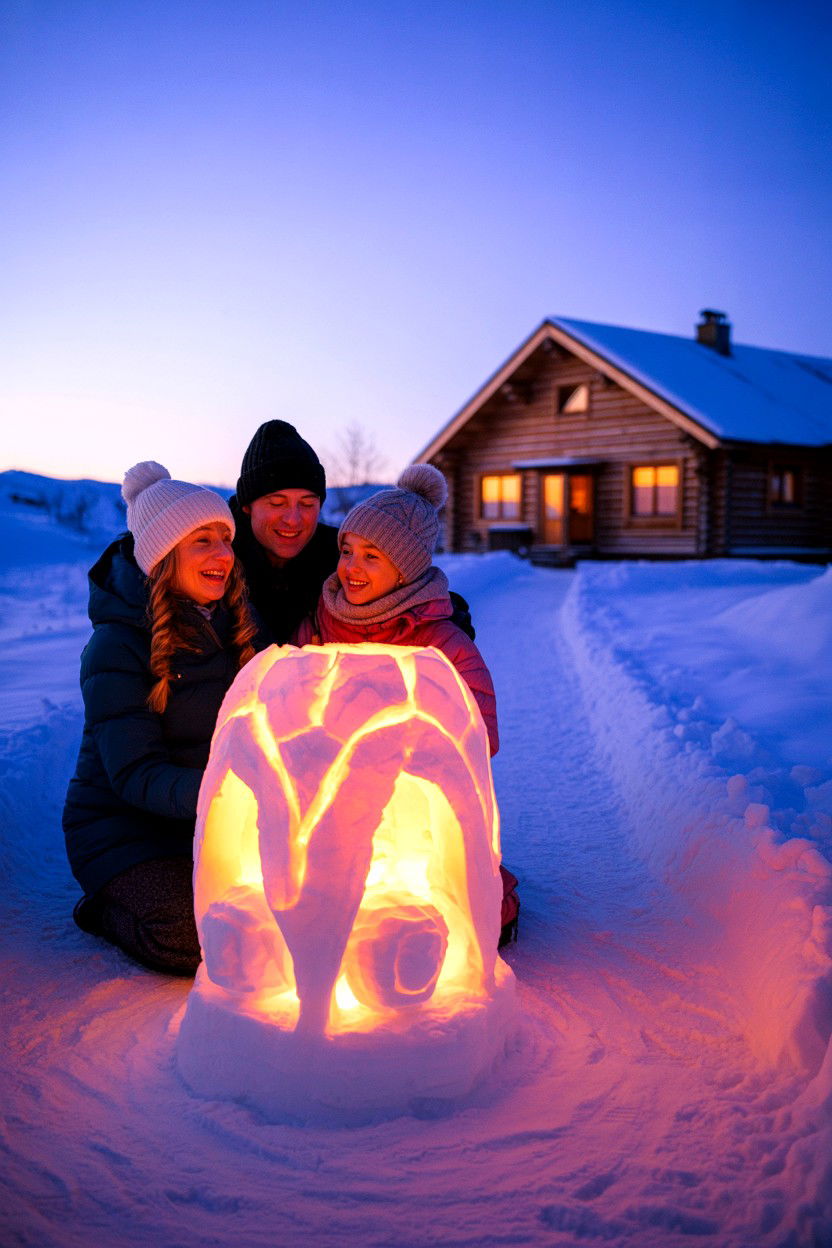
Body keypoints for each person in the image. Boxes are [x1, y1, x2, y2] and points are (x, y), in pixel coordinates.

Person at [63, 462, 260, 975]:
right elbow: (134, 775)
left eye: (226, 538)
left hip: (201, 826)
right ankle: (105, 908)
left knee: (282, 916)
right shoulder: (117, 644)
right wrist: (230, 793)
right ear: (163, 555)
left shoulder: (234, 622)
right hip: (125, 832)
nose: (223, 554)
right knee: (201, 940)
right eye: (203, 541)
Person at [293, 464, 498, 755]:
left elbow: (480, 737)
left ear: (405, 569)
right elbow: (287, 704)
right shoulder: (319, 622)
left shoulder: (443, 645)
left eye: (371, 555)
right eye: (347, 551)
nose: (351, 567)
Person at [230, 419, 475, 645]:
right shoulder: (217, 558)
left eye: (307, 504)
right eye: (277, 503)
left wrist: (444, 617)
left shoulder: (337, 554)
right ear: (247, 505)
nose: (293, 519)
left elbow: (399, 586)